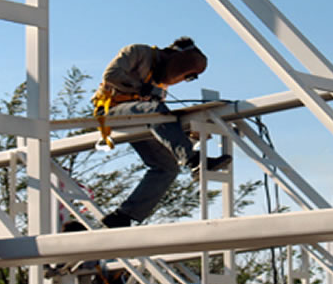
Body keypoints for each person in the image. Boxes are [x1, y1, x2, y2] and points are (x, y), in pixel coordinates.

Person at [92, 37, 231, 229]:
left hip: (142, 119)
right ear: (176, 56)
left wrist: (191, 134)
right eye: (184, 74)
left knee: (167, 168)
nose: (181, 79)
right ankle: (194, 161)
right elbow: (112, 75)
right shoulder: (137, 52)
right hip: (112, 111)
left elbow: (165, 129)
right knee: (156, 110)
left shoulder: (159, 81)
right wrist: (142, 88)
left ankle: (123, 215)